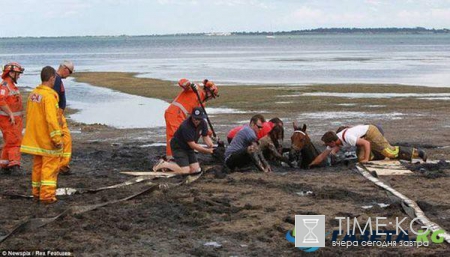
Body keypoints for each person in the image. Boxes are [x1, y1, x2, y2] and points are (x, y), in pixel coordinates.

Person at [20, 66, 63, 204]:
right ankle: (47, 196)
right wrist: (57, 138)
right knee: (49, 168)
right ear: (51, 78)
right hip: (47, 139)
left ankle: (37, 192)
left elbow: (30, 115)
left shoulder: (34, 94)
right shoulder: (49, 96)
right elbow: (51, 119)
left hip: (35, 138)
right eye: (54, 79)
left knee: (38, 166)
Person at [309, 124, 427, 167]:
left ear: (332, 142)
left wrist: (366, 160)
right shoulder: (335, 141)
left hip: (371, 132)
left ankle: (418, 152)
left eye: (327, 144)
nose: (327, 146)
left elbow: (365, 143)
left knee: (389, 152)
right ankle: (377, 155)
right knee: (360, 159)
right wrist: (311, 164)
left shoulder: (347, 138)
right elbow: (322, 155)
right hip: (363, 137)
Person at [164, 79, 218, 160]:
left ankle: (177, 156)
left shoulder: (201, 103)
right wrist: (188, 84)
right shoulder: (196, 89)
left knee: (185, 135)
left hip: (181, 117)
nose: (210, 98)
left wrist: (208, 133)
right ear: (208, 91)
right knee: (175, 137)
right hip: (175, 114)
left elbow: (200, 122)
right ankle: (172, 158)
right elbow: (182, 82)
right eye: (211, 95)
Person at [154, 107, 214, 174]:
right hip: (179, 147)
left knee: (196, 170)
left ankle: (174, 165)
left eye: (199, 119)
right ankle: (164, 164)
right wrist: (206, 150)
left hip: (189, 148)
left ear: (202, 118)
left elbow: (205, 136)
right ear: (191, 116)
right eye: (195, 118)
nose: (196, 120)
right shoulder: (186, 126)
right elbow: (193, 145)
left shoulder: (203, 123)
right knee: (186, 171)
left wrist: (211, 145)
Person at [0, 62, 25, 174]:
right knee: (15, 142)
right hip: (9, 120)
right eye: (17, 73)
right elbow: (1, 100)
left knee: (9, 142)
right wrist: (10, 113)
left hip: (15, 120)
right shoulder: (5, 86)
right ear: (10, 73)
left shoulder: (11, 86)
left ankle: (5, 164)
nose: (19, 76)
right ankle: (14, 165)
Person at [54, 61, 74, 174]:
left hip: (59, 113)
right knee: (65, 139)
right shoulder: (56, 80)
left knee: (65, 139)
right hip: (57, 114)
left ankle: (63, 164)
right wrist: (57, 117)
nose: (69, 75)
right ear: (65, 69)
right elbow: (54, 98)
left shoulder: (57, 79)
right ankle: (62, 165)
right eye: (69, 72)